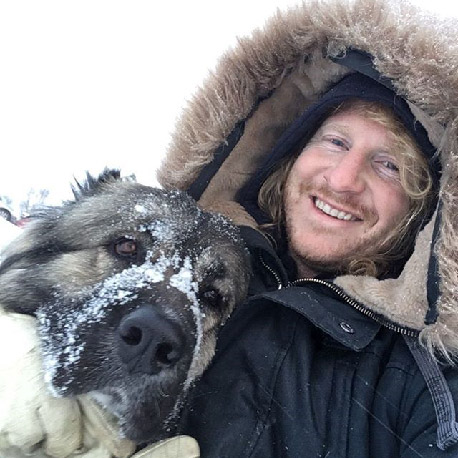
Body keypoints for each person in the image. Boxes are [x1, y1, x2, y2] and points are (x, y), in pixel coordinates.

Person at [1, 0, 458, 457]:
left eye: (389, 165)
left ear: (424, 209)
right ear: (291, 156)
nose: (342, 180)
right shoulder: (187, 234)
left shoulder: (429, 381)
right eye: (336, 141)